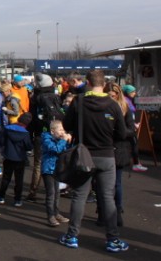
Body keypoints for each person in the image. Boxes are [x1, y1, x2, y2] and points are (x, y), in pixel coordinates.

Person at [59, 70, 129, 252]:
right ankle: (112, 239)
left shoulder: (79, 101)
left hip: (84, 156)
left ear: (88, 83)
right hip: (106, 156)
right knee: (107, 197)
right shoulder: (113, 104)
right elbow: (122, 134)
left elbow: (66, 126)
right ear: (104, 84)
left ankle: (72, 236)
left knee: (79, 196)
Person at [101, 82, 137, 227]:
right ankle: (104, 212)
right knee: (102, 183)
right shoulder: (102, 107)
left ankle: (117, 210)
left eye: (113, 95)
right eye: (108, 95)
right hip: (104, 148)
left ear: (118, 95)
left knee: (116, 183)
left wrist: (119, 132)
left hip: (119, 148)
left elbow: (131, 130)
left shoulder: (125, 108)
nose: (111, 98)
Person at [26, 73, 64, 202]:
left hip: (40, 134)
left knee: (38, 164)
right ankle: (55, 193)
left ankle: (33, 191)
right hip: (56, 133)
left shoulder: (35, 98)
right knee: (56, 162)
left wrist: (30, 135)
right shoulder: (56, 97)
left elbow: (31, 118)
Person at [0, 114, 33, 207]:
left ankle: (1, 197)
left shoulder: (7, 129)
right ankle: (17, 199)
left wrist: (2, 147)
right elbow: (28, 146)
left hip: (8, 156)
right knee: (19, 180)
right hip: (20, 158)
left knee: (6, 178)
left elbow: (1, 140)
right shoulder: (26, 133)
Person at [41, 120, 71, 226]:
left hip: (58, 169)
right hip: (48, 169)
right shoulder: (46, 138)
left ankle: (56, 213)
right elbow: (56, 150)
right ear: (53, 131)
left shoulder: (60, 139)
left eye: (63, 130)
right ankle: (50, 216)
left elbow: (66, 151)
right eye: (60, 130)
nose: (63, 132)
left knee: (57, 193)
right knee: (51, 193)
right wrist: (63, 140)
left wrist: (68, 142)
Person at [122, 85, 147, 172]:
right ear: (127, 92)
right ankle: (136, 164)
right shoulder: (125, 101)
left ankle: (135, 163)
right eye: (132, 92)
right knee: (134, 144)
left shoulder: (128, 100)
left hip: (129, 125)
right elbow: (126, 116)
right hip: (129, 126)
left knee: (132, 144)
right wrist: (133, 124)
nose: (134, 93)